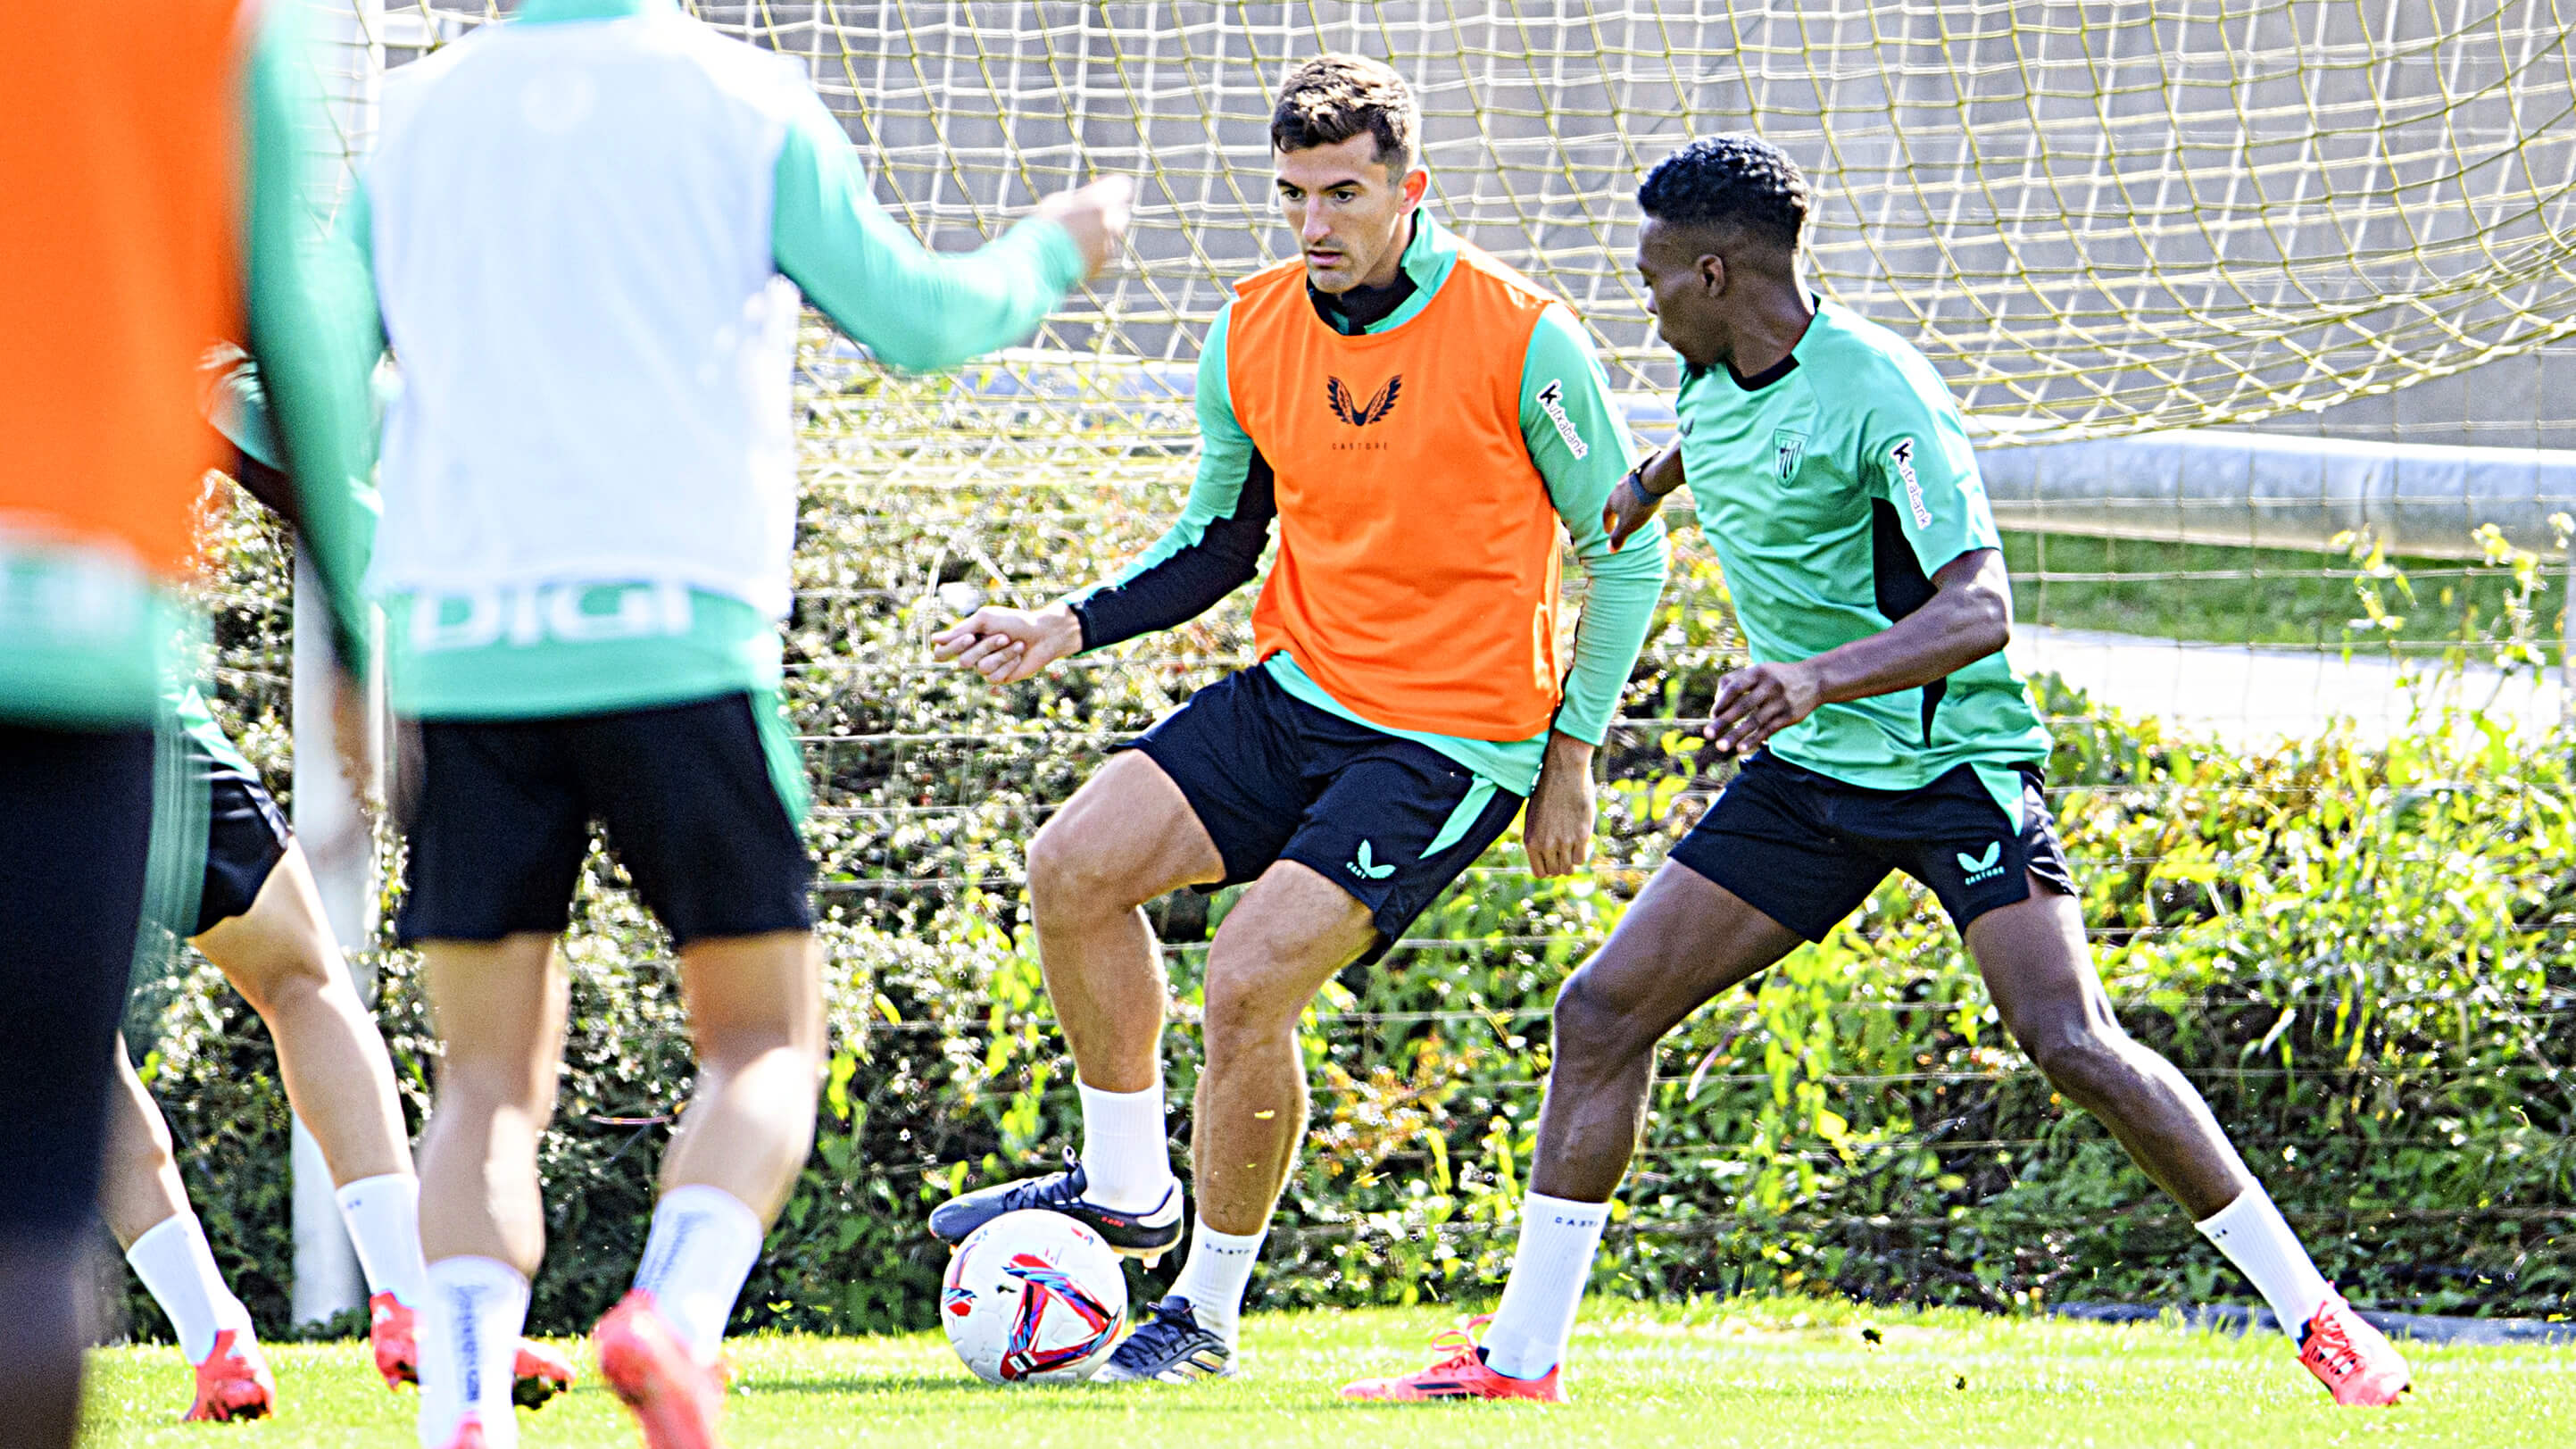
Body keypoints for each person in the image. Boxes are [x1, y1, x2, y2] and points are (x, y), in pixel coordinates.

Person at [1338, 134, 2413, 1409]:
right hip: (1808, 780)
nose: (1643, 301)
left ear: (1717, 271)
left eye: (1653, 279)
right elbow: (1723, 436)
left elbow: (1981, 608)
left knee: (2067, 1038)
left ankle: (2323, 1320)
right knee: (1601, 1011)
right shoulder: (1711, 370)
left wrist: (1809, 676)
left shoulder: (1883, 388)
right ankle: (1518, 1359)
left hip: (1948, 760)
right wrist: (1633, 489)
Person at [345, 4, 1128, 1446]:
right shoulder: (744, 97)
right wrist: (1056, 247)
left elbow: (326, 373)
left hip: (461, 653)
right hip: (677, 635)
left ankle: (465, 1409)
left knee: (483, 1080)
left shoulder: (415, 118)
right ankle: (674, 1317)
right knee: (765, 1038)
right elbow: (917, 319)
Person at [926, 54, 1668, 1386]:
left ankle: (1199, 1314)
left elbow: (1623, 552)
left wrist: (1571, 751)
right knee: (1071, 867)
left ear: (1408, 189)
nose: (1315, 223)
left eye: (1343, 192)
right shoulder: (1252, 325)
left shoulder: (1518, 332)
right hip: (1298, 692)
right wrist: (1065, 623)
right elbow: (1218, 536)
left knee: (1247, 979)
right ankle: (1127, 1182)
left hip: (1453, 736)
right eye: (1292, 195)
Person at [0, 5, 378, 1445]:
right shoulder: (208, 26)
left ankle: (270, 1317)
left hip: (90, 670)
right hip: (72, 650)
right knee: (27, 1220)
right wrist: (356, 619)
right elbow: (299, 328)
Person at [101, 404, 571, 1423]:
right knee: (300, 980)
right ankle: (407, 1300)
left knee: (72, 1055)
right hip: (125, 703)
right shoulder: (136, 287)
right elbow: (308, 471)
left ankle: (216, 1341)